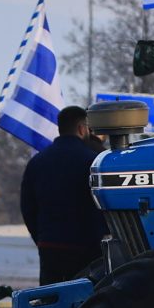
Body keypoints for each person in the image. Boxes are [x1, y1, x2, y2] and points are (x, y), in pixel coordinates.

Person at [18, 105, 106, 283]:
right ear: (82, 129)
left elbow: (27, 206)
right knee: (83, 300)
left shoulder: (37, 162)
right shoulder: (92, 162)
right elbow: (102, 204)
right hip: (86, 248)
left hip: (49, 245)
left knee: (50, 299)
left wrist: (42, 237)